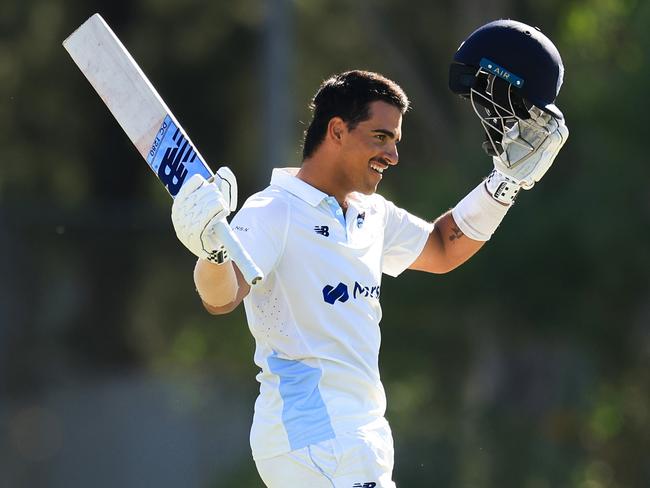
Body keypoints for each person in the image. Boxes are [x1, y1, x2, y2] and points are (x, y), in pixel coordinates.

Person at [170, 19, 568, 488]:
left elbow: (442, 248)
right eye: (380, 137)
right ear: (336, 131)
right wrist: (212, 255)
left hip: (364, 439)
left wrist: (504, 184)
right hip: (308, 437)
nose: (393, 156)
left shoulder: (372, 215)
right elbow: (222, 296)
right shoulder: (273, 210)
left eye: (396, 141)